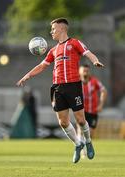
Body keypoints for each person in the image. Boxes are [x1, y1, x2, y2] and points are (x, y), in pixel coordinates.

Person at [17, 18, 104, 163]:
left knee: (81, 120)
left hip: (73, 86)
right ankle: (78, 144)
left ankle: (88, 141)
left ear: (62, 29)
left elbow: (88, 53)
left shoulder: (74, 43)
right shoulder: (53, 50)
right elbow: (42, 65)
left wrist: (95, 61)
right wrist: (28, 75)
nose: (51, 31)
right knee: (63, 122)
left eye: (53, 29)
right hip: (57, 87)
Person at [77, 64, 107, 139]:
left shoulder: (94, 81)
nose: (85, 73)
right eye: (84, 71)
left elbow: (103, 91)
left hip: (93, 112)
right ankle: (80, 148)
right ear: (79, 72)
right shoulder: (76, 82)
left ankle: (86, 147)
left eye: (87, 71)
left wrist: (101, 105)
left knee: (90, 134)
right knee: (80, 130)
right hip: (81, 111)